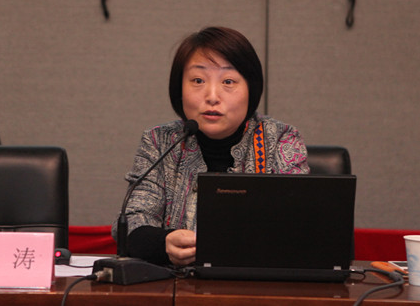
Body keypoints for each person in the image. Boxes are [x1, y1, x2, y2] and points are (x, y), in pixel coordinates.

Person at [114, 26, 309, 266]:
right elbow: (131, 223)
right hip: (178, 283)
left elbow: (300, 226)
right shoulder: (160, 141)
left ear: (251, 89)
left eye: (228, 81)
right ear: (179, 89)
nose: (212, 96)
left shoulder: (280, 140)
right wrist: (163, 243)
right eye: (198, 80)